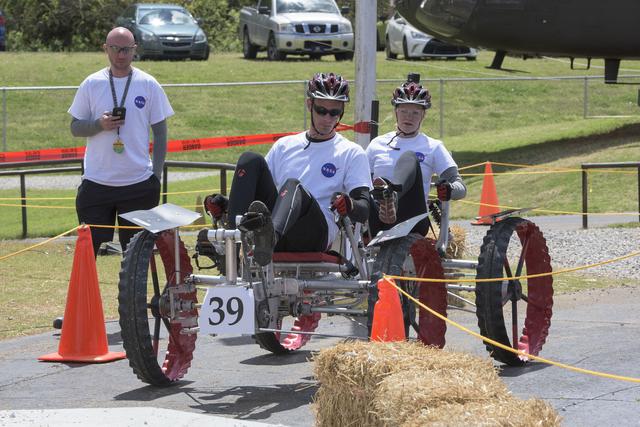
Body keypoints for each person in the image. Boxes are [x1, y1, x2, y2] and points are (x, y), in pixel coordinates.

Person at [204, 72, 372, 266]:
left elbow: (364, 208)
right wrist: (227, 204)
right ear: (309, 105)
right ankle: (231, 243)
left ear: (341, 112)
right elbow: (261, 194)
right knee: (249, 159)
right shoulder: (285, 146)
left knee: (293, 186)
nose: (328, 118)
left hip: (314, 233)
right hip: (276, 224)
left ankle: (269, 238)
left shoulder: (351, 152)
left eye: (334, 113)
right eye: (321, 110)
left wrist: (349, 204)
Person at [68, 27, 174, 256]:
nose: (121, 55)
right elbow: (75, 127)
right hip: (96, 183)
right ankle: (87, 284)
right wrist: (99, 125)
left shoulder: (149, 84)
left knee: (137, 257)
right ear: (105, 49)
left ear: (135, 49)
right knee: (87, 253)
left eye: (126, 49)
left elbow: (160, 133)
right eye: (115, 48)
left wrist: (156, 176)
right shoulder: (91, 83)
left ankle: (134, 285)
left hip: (138, 185)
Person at [366, 73, 466, 237]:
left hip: (412, 219)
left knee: (410, 158)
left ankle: (392, 197)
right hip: (378, 218)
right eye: (404, 111)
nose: (409, 117)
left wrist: (449, 189)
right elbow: (362, 183)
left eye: (415, 113)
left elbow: (461, 187)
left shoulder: (433, 146)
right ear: (396, 112)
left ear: (423, 115)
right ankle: (386, 202)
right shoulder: (377, 144)